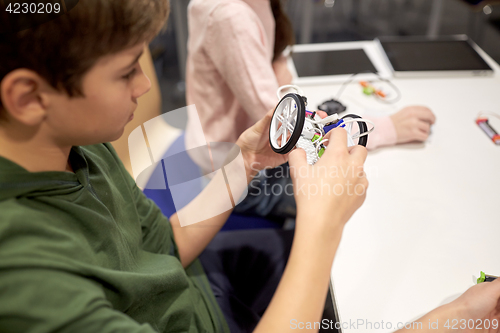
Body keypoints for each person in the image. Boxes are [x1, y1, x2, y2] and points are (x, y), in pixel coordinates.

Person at [0, 1, 499, 333]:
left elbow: (163, 247)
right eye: (127, 71)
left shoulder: (79, 146)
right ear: (28, 96)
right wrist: (321, 225)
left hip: (195, 290)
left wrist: (246, 163)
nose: (146, 88)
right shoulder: (27, 279)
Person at [185, 0, 437, 220]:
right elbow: (284, 124)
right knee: (367, 197)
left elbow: (277, 70)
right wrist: (383, 129)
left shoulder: (246, 8)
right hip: (240, 179)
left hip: (245, 154)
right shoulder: (229, 16)